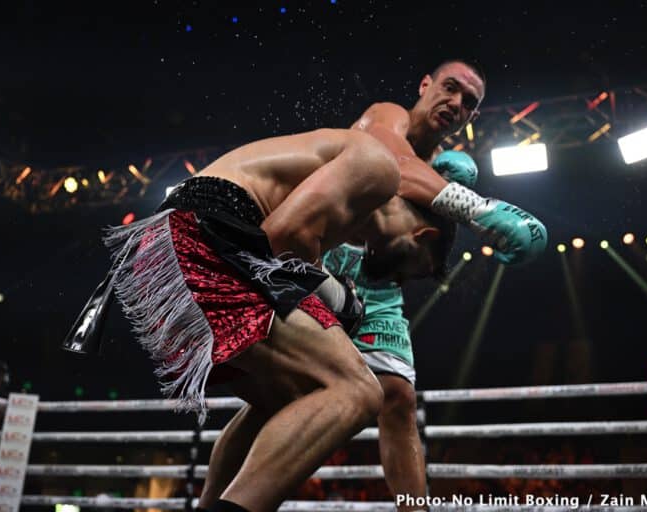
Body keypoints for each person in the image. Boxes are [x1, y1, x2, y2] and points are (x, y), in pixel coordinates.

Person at [96, 127, 457, 512]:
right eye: (415, 270)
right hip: (202, 240)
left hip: (171, 247)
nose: (400, 280)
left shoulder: (350, 209)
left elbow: (281, 250)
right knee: (360, 389)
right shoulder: (379, 169)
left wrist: (331, 293)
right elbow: (279, 239)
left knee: (290, 398)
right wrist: (336, 294)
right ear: (424, 235)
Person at [324, 59, 545, 511]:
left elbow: (425, 265)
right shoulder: (388, 116)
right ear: (425, 85)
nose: (456, 103)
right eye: (450, 89)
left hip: (379, 287)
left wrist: (449, 219)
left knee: (399, 398)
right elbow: (390, 166)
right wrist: (479, 209)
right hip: (323, 265)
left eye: (469, 103)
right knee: (277, 399)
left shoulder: (443, 171)